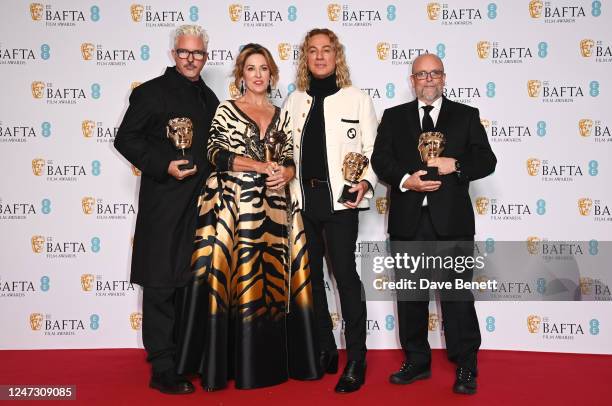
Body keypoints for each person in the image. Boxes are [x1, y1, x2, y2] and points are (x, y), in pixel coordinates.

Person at [175, 43, 321, 390]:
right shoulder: (227, 110)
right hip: (233, 208)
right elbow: (215, 152)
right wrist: (256, 165)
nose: (258, 75)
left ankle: (271, 362)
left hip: (273, 207)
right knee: (234, 276)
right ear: (241, 75)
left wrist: (286, 172)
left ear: (272, 75)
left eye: (264, 69)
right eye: (251, 68)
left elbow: (288, 155)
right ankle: (229, 364)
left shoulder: (280, 112)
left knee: (270, 283)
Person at [371, 53, 497, 395]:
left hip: (452, 222)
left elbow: (486, 160)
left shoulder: (465, 115)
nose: (428, 79)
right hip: (408, 221)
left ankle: (466, 365)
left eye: (434, 73)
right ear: (412, 80)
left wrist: (454, 164)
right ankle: (416, 361)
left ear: (444, 77)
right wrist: (404, 180)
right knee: (410, 297)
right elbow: (380, 158)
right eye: (421, 74)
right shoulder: (394, 117)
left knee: (457, 296)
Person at [114, 25, 219, 394]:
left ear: (206, 57)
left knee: (191, 285)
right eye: (185, 53)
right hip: (163, 202)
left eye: (199, 54)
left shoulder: (210, 98)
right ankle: (161, 368)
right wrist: (164, 165)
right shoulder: (150, 93)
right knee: (160, 284)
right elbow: (125, 138)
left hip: (201, 205)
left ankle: (186, 358)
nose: (192, 59)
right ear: (174, 54)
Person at [283, 28, 378, 393]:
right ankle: (325, 347)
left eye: (326, 50)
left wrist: (365, 182)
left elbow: (372, 150)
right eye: (312, 51)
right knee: (311, 280)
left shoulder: (357, 99)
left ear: (337, 56)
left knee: (346, 279)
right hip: (303, 204)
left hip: (341, 204)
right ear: (305, 58)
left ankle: (356, 357)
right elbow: (285, 153)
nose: (320, 56)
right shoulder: (294, 101)